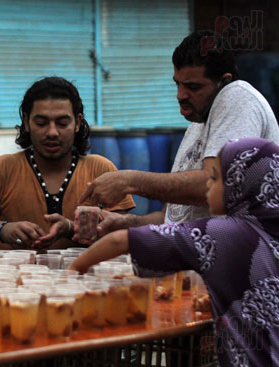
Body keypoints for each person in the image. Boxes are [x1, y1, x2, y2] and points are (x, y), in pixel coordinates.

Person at [70, 137, 279, 367]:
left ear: (239, 183)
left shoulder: (223, 234)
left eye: (215, 177)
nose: (208, 184)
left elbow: (121, 241)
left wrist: (73, 270)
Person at [78, 30, 279, 236]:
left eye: (193, 86)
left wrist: (130, 181)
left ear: (224, 81)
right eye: (178, 83)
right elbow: (171, 219)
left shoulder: (237, 97)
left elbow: (212, 184)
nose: (180, 95)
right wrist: (125, 222)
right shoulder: (197, 124)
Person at [0, 77, 135, 250]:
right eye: (42, 123)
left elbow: (126, 233)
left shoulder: (100, 170)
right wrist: (2, 229)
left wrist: (71, 228)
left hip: (90, 285)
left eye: (62, 123)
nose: (52, 132)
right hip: (14, 284)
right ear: (26, 123)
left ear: (77, 123)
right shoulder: (0, 170)